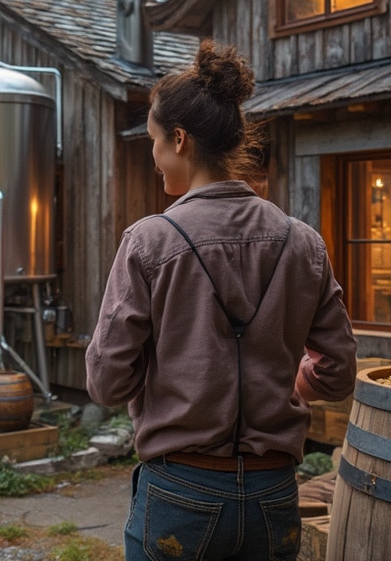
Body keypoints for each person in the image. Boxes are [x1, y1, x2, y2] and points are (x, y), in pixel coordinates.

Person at [85, 42, 357, 561]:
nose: (154, 154)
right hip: (273, 496)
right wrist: (292, 381)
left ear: (180, 141)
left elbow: (105, 381)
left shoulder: (149, 242)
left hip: (179, 493)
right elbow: (339, 371)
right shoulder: (303, 242)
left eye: (154, 141)